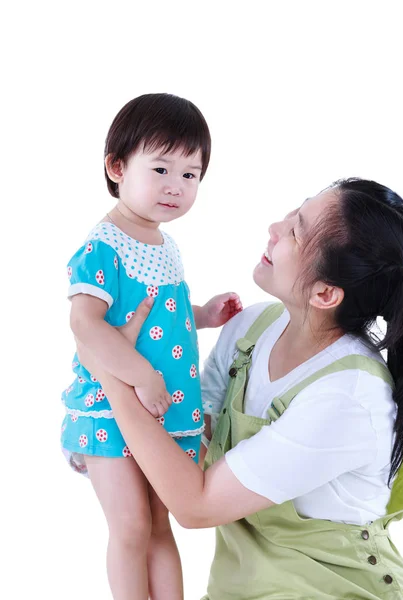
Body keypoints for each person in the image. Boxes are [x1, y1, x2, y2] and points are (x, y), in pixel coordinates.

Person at [77, 178, 403, 599]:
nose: (274, 228)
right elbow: (186, 440)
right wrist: (110, 438)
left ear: (325, 293)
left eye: (297, 231)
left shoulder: (348, 396)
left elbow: (196, 504)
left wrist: (111, 372)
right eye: (294, 211)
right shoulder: (251, 329)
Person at [60, 93, 242, 600]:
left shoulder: (165, 244)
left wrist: (203, 314)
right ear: (117, 167)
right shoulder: (103, 246)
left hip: (167, 412)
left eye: (190, 175)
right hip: (112, 410)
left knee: (162, 524)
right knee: (132, 525)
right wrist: (141, 375)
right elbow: (85, 323)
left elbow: (165, 317)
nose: (176, 186)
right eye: (161, 168)